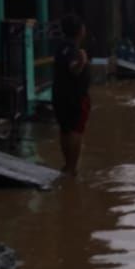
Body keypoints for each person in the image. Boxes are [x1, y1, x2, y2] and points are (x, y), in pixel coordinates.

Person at [52, 13, 91, 176]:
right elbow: (73, 69)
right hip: (75, 97)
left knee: (65, 129)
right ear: (80, 30)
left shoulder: (61, 47)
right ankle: (71, 168)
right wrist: (82, 61)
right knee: (76, 131)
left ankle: (67, 165)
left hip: (59, 96)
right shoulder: (75, 50)